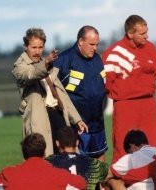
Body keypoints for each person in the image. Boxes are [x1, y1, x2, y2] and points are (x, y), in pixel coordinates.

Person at [12, 27, 87, 156]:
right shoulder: (20, 66)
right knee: (43, 158)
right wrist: (46, 63)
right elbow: (31, 75)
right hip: (38, 117)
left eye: (40, 47)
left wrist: (77, 120)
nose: (37, 51)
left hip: (58, 114)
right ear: (25, 46)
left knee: (66, 155)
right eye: (33, 47)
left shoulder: (46, 63)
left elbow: (61, 94)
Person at [101, 14, 156, 163]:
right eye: (142, 33)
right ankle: (120, 181)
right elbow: (107, 83)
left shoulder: (151, 48)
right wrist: (126, 93)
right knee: (123, 146)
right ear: (130, 33)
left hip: (148, 105)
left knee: (151, 145)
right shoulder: (113, 53)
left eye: (147, 32)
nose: (147, 36)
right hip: (125, 106)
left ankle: (150, 180)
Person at [53, 25, 107, 162]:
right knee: (79, 167)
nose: (95, 48)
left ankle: (100, 185)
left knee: (100, 166)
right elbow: (52, 89)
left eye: (97, 44)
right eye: (91, 44)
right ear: (81, 41)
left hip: (97, 123)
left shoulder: (97, 59)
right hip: (76, 126)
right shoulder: (63, 60)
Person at [0, 133, 87, 190]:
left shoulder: (8, 174)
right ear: (44, 153)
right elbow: (82, 184)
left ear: (24, 153)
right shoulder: (60, 175)